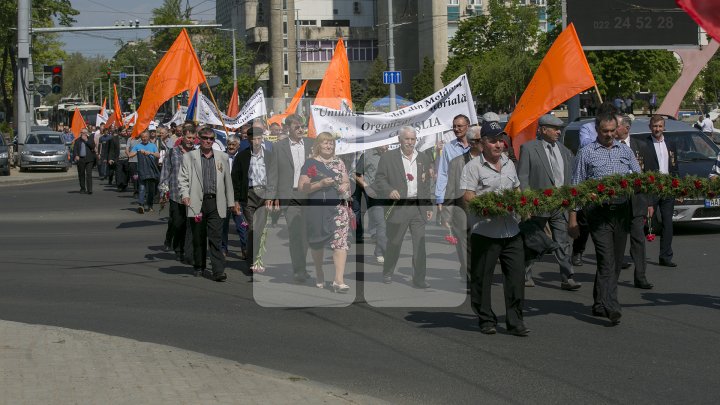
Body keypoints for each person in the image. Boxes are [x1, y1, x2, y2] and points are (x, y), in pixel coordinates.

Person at [569, 112, 641, 325]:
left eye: (612, 131)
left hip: (621, 211)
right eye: (604, 131)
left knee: (616, 261)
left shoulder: (625, 150)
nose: (609, 135)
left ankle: (599, 303)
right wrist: (573, 218)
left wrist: (633, 183)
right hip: (597, 212)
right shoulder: (587, 152)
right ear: (597, 130)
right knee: (606, 259)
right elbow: (576, 185)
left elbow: (638, 177)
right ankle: (611, 305)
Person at [461, 127, 529, 336]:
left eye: (501, 141)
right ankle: (486, 319)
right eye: (493, 141)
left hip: (511, 230)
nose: (498, 145)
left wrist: (523, 206)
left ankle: (515, 320)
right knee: (482, 278)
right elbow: (468, 195)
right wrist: (489, 206)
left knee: (517, 277)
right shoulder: (473, 167)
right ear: (483, 143)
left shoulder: (509, 163)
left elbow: (516, 188)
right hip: (486, 231)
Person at [517, 114, 581, 290]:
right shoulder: (529, 148)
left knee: (563, 242)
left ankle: (567, 277)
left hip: (560, 205)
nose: (558, 132)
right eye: (555, 129)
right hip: (538, 204)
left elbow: (568, 179)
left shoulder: (564, 150)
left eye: (560, 129)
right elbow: (523, 178)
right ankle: (525, 274)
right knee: (533, 240)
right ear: (543, 130)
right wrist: (527, 203)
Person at [373, 126, 433, 288]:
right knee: (394, 243)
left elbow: (426, 184)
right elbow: (379, 180)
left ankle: (419, 278)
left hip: (417, 208)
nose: (410, 142)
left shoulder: (423, 158)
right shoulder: (388, 158)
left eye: (413, 139)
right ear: (400, 140)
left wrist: (428, 207)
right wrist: (389, 190)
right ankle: (388, 271)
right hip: (399, 207)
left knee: (420, 244)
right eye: (407, 139)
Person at [178, 127, 236, 282]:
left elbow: (227, 182)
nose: (208, 141)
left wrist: (231, 202)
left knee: (216, 238)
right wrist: (184, 195)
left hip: (216, 202)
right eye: (205, 138)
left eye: (211, 138)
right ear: (199, 138)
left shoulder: (222, 157)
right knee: (198, 237)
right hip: (197, 201)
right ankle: (199, 265)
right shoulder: (190, 157)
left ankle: (218, 270)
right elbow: (182, 179)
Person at [297, 132, 352, 292]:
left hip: (338, 208)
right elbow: (302, 187)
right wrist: (320, 184)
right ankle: (319, 272)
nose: (329, 146)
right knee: (317, 243)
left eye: (331, 144)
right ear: (318, 146)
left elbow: (346, 181)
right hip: (317, 208)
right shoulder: (310, 163)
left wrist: (345, 186)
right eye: (326, 143)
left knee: (340, 242)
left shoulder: (339, 162)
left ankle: (338, 280)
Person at [267, 114, 314, 283]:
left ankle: (301, 266)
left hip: (310, 194)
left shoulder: (310, 144)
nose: (301, 129)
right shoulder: (279, 147)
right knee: (296, 234)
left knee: (307, 234)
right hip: (290, 194)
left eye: (302, 126)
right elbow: (273, 173)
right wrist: (271, 196)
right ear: (288, 129)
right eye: (297, 127)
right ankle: (299, 270)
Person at [613, 114, 654, 289]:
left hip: (637, 200)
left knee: (638, 239)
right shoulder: (609, 147)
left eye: (616, 126)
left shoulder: (642, 146)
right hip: (617, 200)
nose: (613, 130)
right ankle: (612, 277)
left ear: (626, 129)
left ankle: (640, 276)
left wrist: (650, 202)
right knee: (617, 240)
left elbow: (650, 176)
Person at [444, 125, 482, 282]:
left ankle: (474, 271)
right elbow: (450, 191)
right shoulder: (457, 162)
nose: (487, 143)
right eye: (482, 140)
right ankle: (469, 276)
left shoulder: (494, 160)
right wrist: (447, 215)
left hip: (486, 214)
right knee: (464, 247)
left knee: (480, 248)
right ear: (473, 142)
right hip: (463, 212)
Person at [232, 128, 273, 272]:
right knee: (252, 229)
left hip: (264, 194)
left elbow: (274, 177)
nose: (256, 141)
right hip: (249, 194)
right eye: (253, 139)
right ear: (248, 140)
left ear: (262, 139)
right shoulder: (242, 156)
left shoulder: (269, 156)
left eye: (259, 138)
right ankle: (252, 262)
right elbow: (235, 179)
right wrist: (236, 200)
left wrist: (271, 196)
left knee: (262, 230)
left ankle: (260, 259)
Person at [641, 115, 679, 267]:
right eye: (654, 126)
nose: (657, 129)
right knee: (647, 221)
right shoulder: (644, 144)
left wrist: (678, 187)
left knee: (668, 222)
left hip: (668, 187)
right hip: (652, 187)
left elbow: (675, 166)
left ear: (664, 127)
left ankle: (665, 256)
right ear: (650, 127)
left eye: (660, 126)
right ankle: (637, 254)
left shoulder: (670, 143)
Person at [159, 125, 197, 262]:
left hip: (193, 195)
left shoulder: (197, 153)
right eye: (188, 137)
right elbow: (165, 171)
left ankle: (186, 252)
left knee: (190, 225)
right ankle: (177, 247)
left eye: (193, 138)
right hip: (176, 193)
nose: (190, 140)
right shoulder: (173, 152)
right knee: (177, 223)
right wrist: (163, 190)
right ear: (183, 137)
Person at [355, 145, 389, 264]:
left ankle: (378, 250)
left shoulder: (393, 155)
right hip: (375, 195)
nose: (386, 147)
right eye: (384, 144)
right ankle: (384, 253)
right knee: (381, 224)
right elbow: (356, 174)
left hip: (390, 195)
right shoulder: (367, 155)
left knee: (388, 226)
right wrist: (366, 187)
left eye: (388, 144)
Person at [435, 114, 471, 210]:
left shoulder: (477, 146)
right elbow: (443, 173)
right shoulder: (448, 147)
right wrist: (440, 198)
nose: (456, 129)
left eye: (459, 126)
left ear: (468, 126)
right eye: (454, 126)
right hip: (456, 196)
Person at [223, 135, 247, 258]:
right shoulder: (220, 156)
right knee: (223, 224)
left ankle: (245, 247)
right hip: (223, 196)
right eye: (229, 144)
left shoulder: (243, 157)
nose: (231, 147)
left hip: (237, 196)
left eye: (234, 144)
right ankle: (223, 249)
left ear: (238, 145)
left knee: (241, 224)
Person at [128, 131, 161, 213]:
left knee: (151, 190)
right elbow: (130, 155)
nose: (144, 138)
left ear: (148, 137)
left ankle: (150, 205)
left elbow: (158, 155)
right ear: (141, 138)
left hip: (151, 169)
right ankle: (141, 205)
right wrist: (138, 151)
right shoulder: (137, 146)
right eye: (143, 137)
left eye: (146, 137)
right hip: (141, 169)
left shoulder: (152, 145)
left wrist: (150, 153)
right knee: (142, 188)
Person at [73, 128, 96, 194]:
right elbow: (75, 149)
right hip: (81, 159)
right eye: (82, 132)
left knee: (89, 174)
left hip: (89, 159)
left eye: (84, 133)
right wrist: (76, 155)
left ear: (87, 133)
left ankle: (90, 189)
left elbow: (93, 147)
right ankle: (83, 188)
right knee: (81, 174)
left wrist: (86, 140)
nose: (83, 134)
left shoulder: (90, 139)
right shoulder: (77, 140)